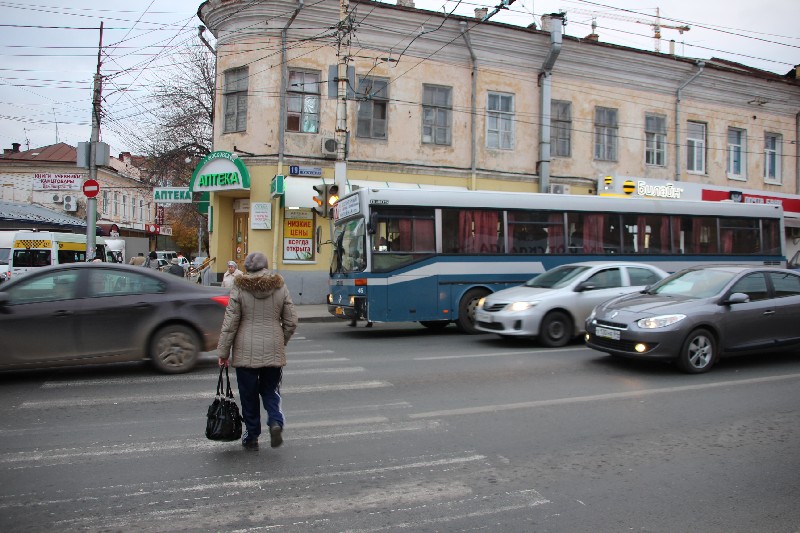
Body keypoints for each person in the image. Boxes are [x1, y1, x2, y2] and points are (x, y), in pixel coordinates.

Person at [217, 252, 298, 450]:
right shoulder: (279, 285)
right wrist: (281, 340)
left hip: (245, 351)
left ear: (246, 267)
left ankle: (252, 437)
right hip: (273, 348)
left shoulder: (239, 286)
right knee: (271, 390)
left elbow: (231, 322)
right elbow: (291, 321)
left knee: (248, 395)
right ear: (265, 266)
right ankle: (276, 421)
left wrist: (223, 352)